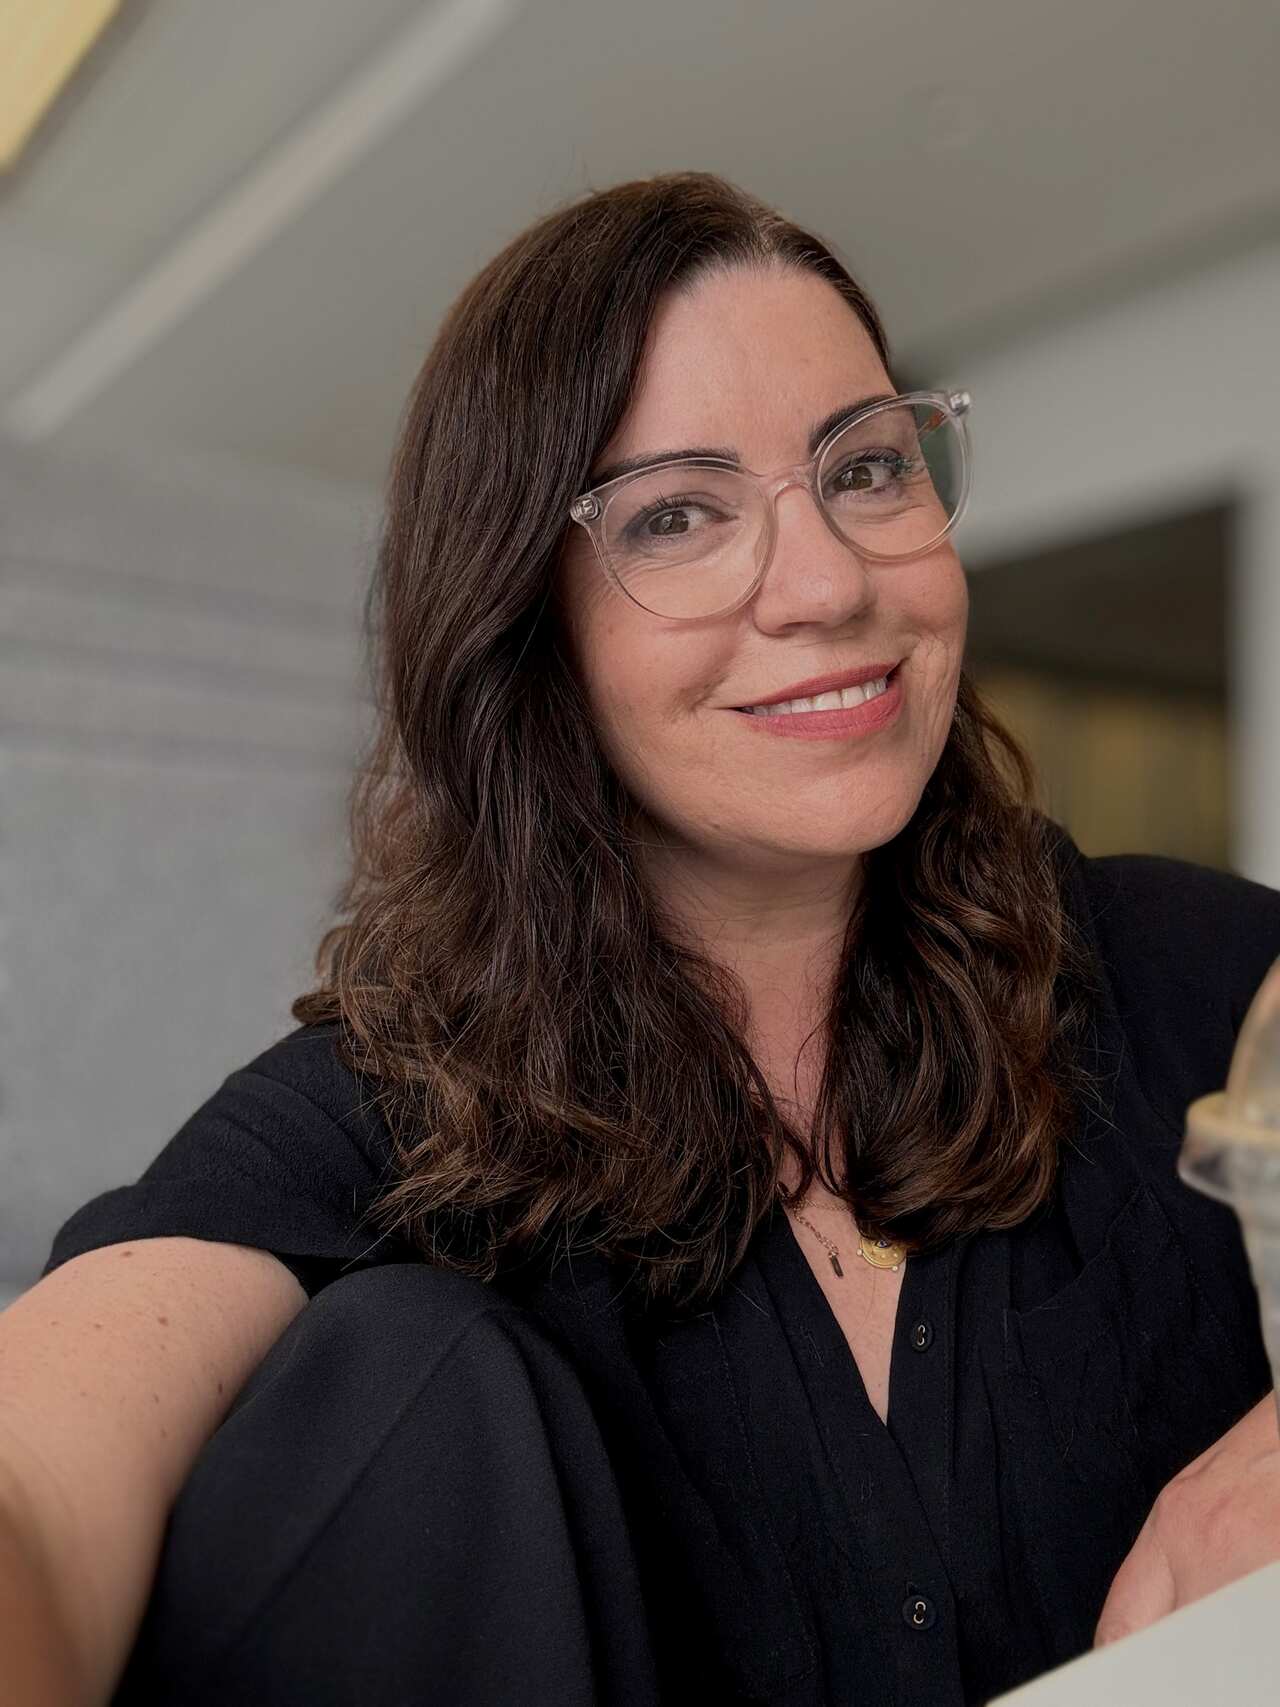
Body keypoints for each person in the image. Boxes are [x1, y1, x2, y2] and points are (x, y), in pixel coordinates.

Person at [4, 169, 1279, 1707]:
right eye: (678, 514)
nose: (826, 583)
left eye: (868, 469)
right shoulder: (384, 1120)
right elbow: (41, 1485)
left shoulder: (1179, 971)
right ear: (523, 619)